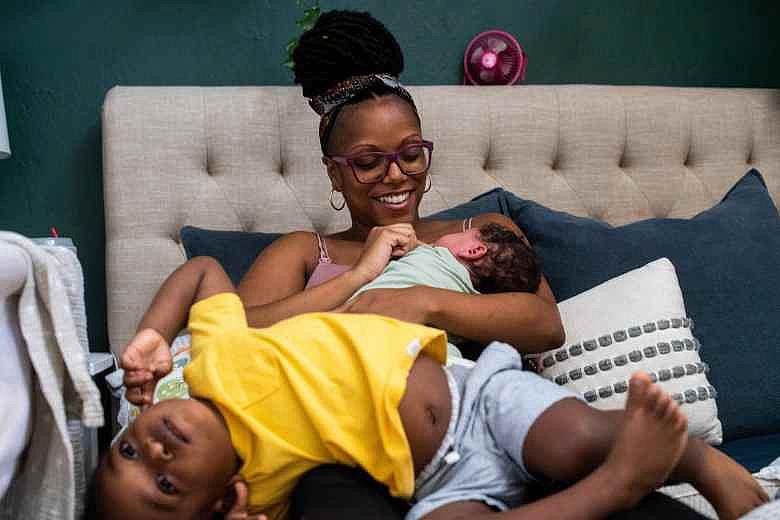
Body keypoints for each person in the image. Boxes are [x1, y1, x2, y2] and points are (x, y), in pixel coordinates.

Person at [89, 257, 767, 520]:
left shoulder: (210, 356)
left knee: (572, 438)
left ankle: (699, 460)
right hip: (435, 482)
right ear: (214, 505)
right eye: (167, 488)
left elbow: (204, 272)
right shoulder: (255, 490)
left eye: (128, 454)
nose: (157, 454)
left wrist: (152, 332)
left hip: (481, 400)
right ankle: (614, 486)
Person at [237, 12, 564, 514]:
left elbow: (545, 324)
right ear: (335, 174)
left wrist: (423, 303)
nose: (396, 176)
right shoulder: (305, 252)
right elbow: (232, 335)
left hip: (484, 436)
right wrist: (356, 279)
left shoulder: (476, 235)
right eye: (368, 162)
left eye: (411, 154)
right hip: (350, 457)